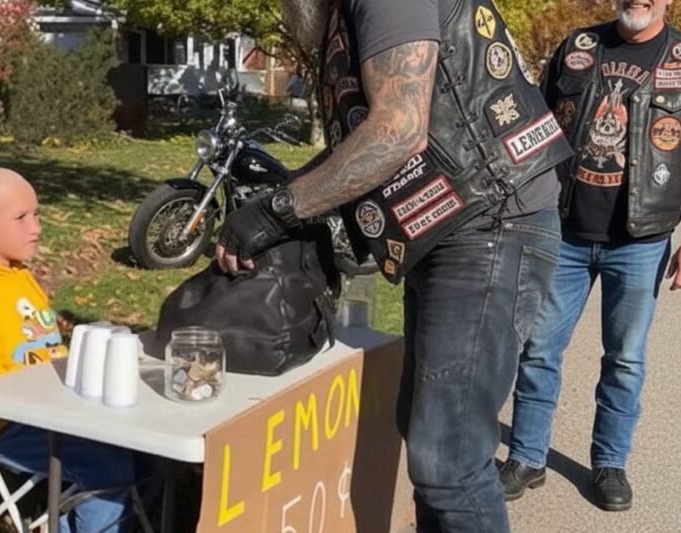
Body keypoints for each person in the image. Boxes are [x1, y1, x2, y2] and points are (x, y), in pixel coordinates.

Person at [213, 0, 573, 531]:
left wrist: (277, 211)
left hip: (487, 223)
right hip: (446, 228)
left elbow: (398, 131)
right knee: (425, 435)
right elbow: (361, 141)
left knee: (448, 457)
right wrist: (291, 202)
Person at [498, 0, 681, 513]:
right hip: (562, 232)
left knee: (625, 360)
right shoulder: (577, 47)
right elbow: (533, 133)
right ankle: (526, 456)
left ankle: (610, 463)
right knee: (539, 350)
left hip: (642, 239)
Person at [0, 167, 135, 532]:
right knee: (109, 468)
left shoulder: (18, 276)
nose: (36, 226)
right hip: (2, 426)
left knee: (145, 453)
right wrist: (49, 394)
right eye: (21, 217)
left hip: (51, 408)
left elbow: (40, 347)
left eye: (36, 214)